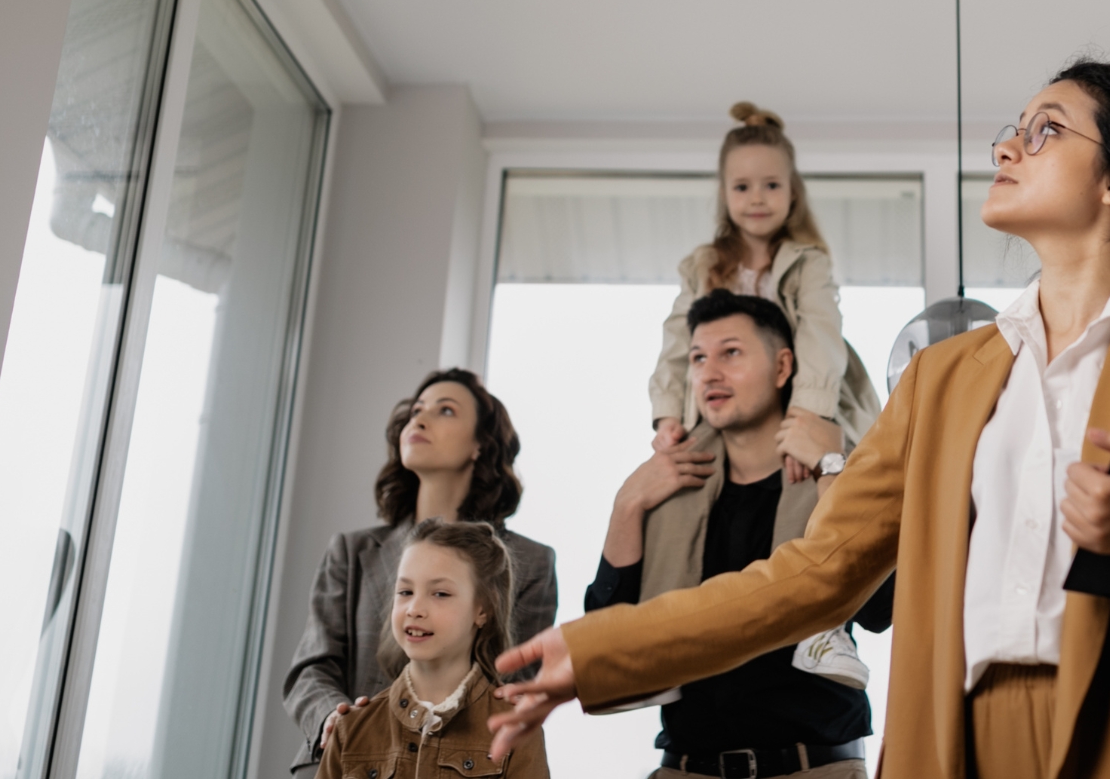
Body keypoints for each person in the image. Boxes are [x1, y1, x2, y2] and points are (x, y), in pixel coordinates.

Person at [487, 60, 1110, 779]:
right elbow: (811, 576)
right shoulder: (939, 380)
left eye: (1044, 131)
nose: (1005, 145)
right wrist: (599, 648)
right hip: (961, 747)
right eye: (1012, 127)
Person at [588, 289, 893, 778]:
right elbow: (607, 636)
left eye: (731, 353)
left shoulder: (836, 472)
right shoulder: (669, 488)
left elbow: (883, 609)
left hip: (816, 768)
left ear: (782, 366)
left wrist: (830, 467)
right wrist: (627, 504)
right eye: (698, 358)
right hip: (686, 768)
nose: (710, 372)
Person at [284, 369, 558, 774]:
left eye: (445, 410)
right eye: (416, 410)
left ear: (480, 445)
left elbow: (514, 686)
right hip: (348, 762)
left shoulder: (531, 563)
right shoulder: (352, 551)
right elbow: (312, 667)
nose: (420, 419)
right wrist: (335, 720)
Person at [650, 102, 881, 481]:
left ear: (793, 193)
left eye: (771, 185)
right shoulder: (702, 265)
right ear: (725, 196)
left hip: (799, 401)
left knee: (817, 483)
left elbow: (819, 336)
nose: (757, 198)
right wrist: (669, 416)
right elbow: (677, 343)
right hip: (730, 410)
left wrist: (807, 415)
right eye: (742, 187)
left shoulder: (808, 263)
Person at [319, 518, 548, 779]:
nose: (414, 609)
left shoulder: (516, 728)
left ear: (483, 610)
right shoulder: (351, 728)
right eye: (405, 592)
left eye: (440, 594)